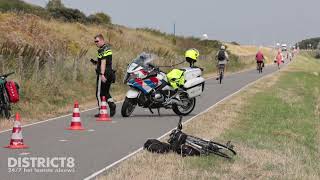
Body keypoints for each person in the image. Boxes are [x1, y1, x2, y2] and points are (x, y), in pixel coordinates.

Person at [90, 34, 116, 117]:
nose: (96, 43)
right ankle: (112, 104)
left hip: (104, 73)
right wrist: (96, 63)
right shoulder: (108, 49)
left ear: (102, 40)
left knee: (98, 93)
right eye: (95, 42)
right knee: (105, 92)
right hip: (110, 73)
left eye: (97, 41)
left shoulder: (102, 50)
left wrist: (102, 74)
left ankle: (101, 111)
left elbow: (103, 63)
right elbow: (105, 62)